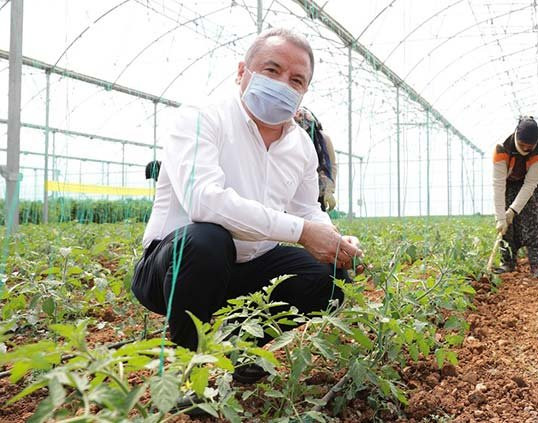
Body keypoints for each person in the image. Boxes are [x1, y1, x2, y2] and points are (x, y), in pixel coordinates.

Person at [131, 28, 364, 387]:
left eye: (297, 80)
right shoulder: (200, 118)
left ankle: (242, 349)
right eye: (272, 71)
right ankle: (188, 371)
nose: (284, 84)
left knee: (331, 278)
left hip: (249, 267)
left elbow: (308, 210)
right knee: (208, 240)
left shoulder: (301, 145)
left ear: (304, 92)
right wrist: (302, 233)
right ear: (242, 72)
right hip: (174, 268)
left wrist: (334, 240)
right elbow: (203, 201)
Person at [491, 116, 538, 278]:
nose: (525, 149)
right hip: (509, 183)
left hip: (534, 186)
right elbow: (498, 184)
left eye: (529, 147)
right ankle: (507, 263)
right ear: (516, 135)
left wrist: (513, 211)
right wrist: (501, 217)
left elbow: (530, 184)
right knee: (506, 226)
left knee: (535, 219)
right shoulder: (502, 148)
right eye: (522, 145)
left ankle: (535, 265)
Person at [294, 108, 337, 212]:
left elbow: (331, 166)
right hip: (291, 188)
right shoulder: (288, 138)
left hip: (316, 190)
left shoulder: (323, 139)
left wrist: (329, 190)